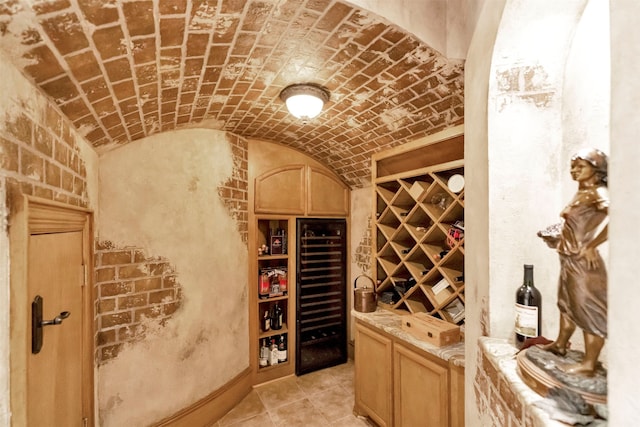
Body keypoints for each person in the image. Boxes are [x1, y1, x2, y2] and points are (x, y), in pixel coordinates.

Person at [537, 148, 608, 376]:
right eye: (573, 166)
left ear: (596, 169)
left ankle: (589, 364)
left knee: (587, 309)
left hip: (583, 262)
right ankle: (560, 345)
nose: (574, 170)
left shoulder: (600, 192)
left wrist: (592, 245)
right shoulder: (581, 193)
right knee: (566, 305)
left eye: (580, 166)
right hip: (568, 258)